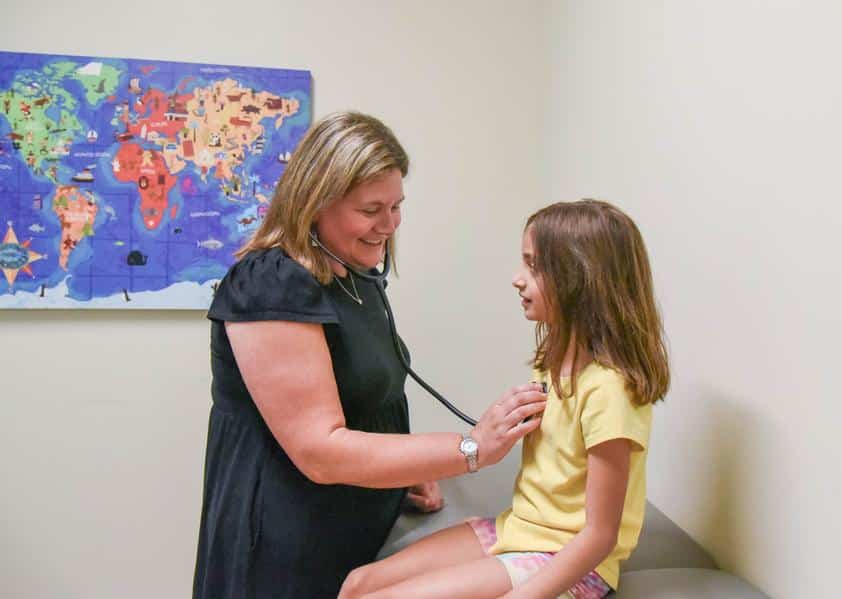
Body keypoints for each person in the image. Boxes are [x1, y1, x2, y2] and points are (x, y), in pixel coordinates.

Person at [192, 111, 547, 599]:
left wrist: (403, 475)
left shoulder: (354, 273)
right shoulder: (271, 285)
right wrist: (469, 448)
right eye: (370, 209)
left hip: (357, 528)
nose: (388, 224)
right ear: (315, 202)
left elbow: (361, 399)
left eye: (397, 205)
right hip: (285, 544)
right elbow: (320, 450)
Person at [339, 199, 670, 599]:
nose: (517, 278)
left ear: (579, 278)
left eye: (533, 266)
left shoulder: (610, 390)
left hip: (569, 560)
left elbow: (600, 536)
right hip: (515, 529)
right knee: (359, 584)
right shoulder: (553, 361)